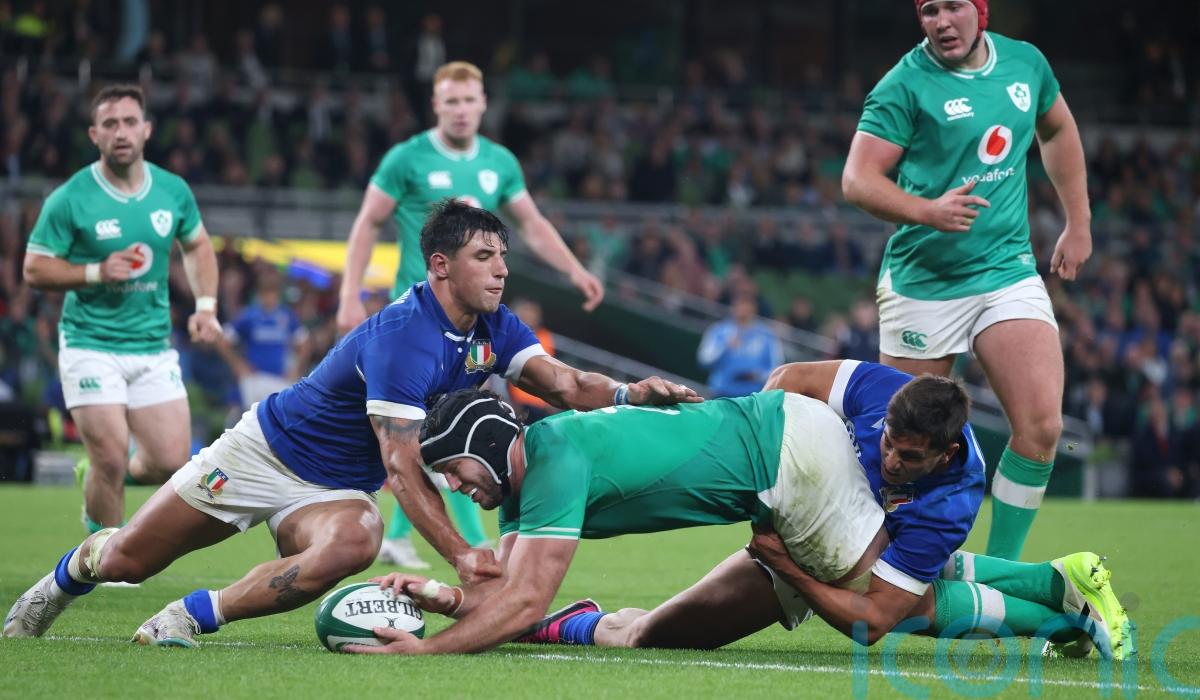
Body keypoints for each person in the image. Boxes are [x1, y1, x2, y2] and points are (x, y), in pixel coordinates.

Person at [3, 201, 696, 647]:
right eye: (485, 258)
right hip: (263, 454)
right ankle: (63, 578)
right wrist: (461, 554)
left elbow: (564, 383)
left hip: (335, 490)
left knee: (358, 539)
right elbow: (400, 466)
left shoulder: (493, 325)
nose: (501, 272)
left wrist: (630, 393)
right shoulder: (404, 337)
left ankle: (190, 615)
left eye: (503, 258)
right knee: (127, 560)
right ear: (441, 266)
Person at [345, 363, 1131, 659]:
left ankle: (1059, 616)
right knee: (663, 634)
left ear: (486, 445)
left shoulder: (554, 463)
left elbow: (520, 601)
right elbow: (506, 595)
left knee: (893, 606)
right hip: (785, 454)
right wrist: (442, 597)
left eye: (453, 472)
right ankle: (1053, 580)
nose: (455, 488)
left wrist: (423, 656)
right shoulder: (532, 478)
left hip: (794, 468)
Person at [841, 0, 1092, 560]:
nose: (941, 21)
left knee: (1042, 426)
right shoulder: (904, 85)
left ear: (981, 11)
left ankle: (1000, 569)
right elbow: (857, 180)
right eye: (929, 10)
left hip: (1007, 270)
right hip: (923, 284)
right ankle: (890, 566)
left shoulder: (1025, 64)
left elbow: (1057, 130)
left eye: (953, 7)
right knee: (901, 444)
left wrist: (1078, 222)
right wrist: (927, 211)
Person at [336, 60, 604, 566]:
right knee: (438, 430)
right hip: (416, 319)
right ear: (436, 105)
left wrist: (574, 269)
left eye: (468, 101)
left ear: (483, 104)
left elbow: (532, 223)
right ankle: (465, 542)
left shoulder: (499, 162)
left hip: (471, 322)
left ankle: (409, 537)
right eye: (451, 101)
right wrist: (350, 293)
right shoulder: (406, 158)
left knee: (449, 429)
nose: (460, 110)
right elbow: (368, 221)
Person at [21, 84, 222, 533]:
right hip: (90, 342)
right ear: (95, 135)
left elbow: (197, 246)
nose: (121, 132)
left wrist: (206, 307)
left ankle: (96, 475)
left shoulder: (171, 190)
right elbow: (34, 269)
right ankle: (102, 555)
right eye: (109, 124)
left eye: (130, 122)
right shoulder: (70, 198)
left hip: (151, 345)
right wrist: (95, 272)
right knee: (110, 458)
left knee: (170, 462)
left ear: (147, 129)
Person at [215, 266, 308, 410]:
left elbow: (305, 342)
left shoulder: (286, 316)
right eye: (266, 292)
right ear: (259, 294)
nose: (269, 297)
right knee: (253, 417)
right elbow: (222, 340)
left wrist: (296, 368)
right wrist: (238, 365)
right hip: (255, 378)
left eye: (272, 292)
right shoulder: (248, 316)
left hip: (280, 378)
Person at [697, 292, 784, 398]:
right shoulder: (718, 330)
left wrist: (758, 375)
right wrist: (725, 347)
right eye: (740, 306)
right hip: (721, 393)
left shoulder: (767, 335)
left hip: (752, 396)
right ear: (733, 308)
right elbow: (704, 360)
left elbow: (776, 368)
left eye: (747, 307)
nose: (743, 311)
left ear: (754, 309)